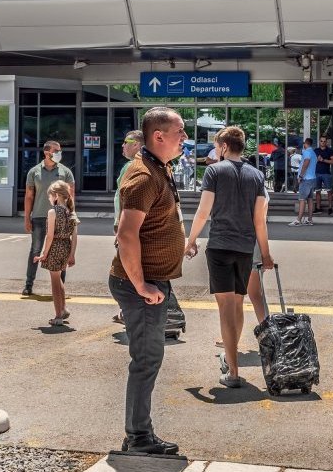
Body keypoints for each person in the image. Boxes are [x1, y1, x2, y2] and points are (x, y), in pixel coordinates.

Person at [110, 106, 187, 455]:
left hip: (155, 280)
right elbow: (126, 235)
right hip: (143, 285)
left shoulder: (159, 167)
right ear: (159, 136)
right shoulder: (143, 176)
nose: (185, 137)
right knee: (146, 360)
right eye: (180, 131)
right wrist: (141, 286)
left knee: (149, 359)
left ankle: (138, 433)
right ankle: (139, 437)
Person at [183, 126, 275, 388]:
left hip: (220, 246)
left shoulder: (214, 171)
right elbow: (260, 221)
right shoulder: (256, 176)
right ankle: (232, 355)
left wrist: (190, 241)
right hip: (245, 249)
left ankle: (233, 372)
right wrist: (265, 255)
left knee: (225, 309)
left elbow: (203, 212)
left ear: (223, 146)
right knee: (237, 303)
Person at [23, 140, 75, 296]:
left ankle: (60, 287)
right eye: (56, 150)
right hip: (39, 216)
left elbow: (71, 196)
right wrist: (27, 217)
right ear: (47, 153)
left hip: (61, 217)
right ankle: (28, 285)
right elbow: (29, 196)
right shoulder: (34, 172)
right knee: (35, 250)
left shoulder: (66, 172)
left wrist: (72, 215)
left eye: (59, 150)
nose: (59, 153)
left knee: (61, 250)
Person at [34, 180, 78, 326]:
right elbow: (75, 237)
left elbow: (50, 236)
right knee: (59, 278)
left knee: (54, 283)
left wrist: (43, 254)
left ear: (56, 195)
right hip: (66, 247)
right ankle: (63, 309)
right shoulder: (71, 212)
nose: (49, 198)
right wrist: (72, 255)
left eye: (49, 196)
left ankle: (58, 315)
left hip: (55, 248)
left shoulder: (53, 212)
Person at [112, 130, 145, 325]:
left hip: (126, 224)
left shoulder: (130, 167)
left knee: (124, 269)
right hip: (131, 224)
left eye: (126, 142)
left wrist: (120, 227)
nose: (123, 146)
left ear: (136, 144)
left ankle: (128, 311)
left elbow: (125, 197)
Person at [291, 139, 317, 226]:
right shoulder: (313, 153)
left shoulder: (306, 152)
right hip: (312, 178)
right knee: (310, 200)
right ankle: (310, 220)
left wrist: (301, 176)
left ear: (305, 144)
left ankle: (298, 220)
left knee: (302, 199)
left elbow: (306, 162)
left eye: (304, 144)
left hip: (305, 179)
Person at [313, 136, 333, 214]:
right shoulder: (316, 151)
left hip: (326, 173)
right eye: (321, 141)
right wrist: (316, 159)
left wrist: (323, 160)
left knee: (329, 191)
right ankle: (318, 208)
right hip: (317, 173)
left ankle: (330, 208)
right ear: (319, 142)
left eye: (324, 141)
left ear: (326, 142)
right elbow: (311, 161)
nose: (323, 142)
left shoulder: (329, 151)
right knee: (317, 191)